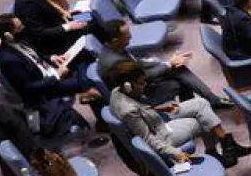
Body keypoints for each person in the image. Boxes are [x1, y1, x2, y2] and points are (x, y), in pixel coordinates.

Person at [107, 59, 251, 168]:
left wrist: (162, 108)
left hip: (156, 117)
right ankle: (215, 152)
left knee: (201, 103)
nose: (144, 86)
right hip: (161, 134)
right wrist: (175, 153)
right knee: (201, 121)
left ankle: (227, 145)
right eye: (141, 83)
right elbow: (148, 139)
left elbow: (143, 111)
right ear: (128, 85)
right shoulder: (128, 111)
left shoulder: (117, 91)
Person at [0, 13, 91, 137]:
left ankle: (88, 95)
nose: (24, 28)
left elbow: (35, 55)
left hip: (50, 71)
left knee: (85, 59)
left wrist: (52, 58)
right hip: (45, 90)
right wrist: (56, 76)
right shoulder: (7, 60)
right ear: (9, 35)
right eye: (20, 27)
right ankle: (97, 112)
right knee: (88, 80)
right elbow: (28, 88)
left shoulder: (20, 39)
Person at [97, 19, 229, 109]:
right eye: (126, 35)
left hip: (141, 80)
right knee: (182, 83)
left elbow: (138, 65)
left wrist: (167, 63)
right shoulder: (115, 62)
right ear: (115, 40)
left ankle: (210, 100)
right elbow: (143, 76)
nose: (130, 37)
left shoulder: (114, 48)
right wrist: (168, 64)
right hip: (140, 95)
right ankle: (195, 109)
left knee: (178, 67)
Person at [13, 0, 97, 58]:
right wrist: (69, 26)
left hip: (56, 25)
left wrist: (61, 14)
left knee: (94, 21)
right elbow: (39, 33)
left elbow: (45, 11)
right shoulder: (28, 3)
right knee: (95, 26)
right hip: (52, 44)